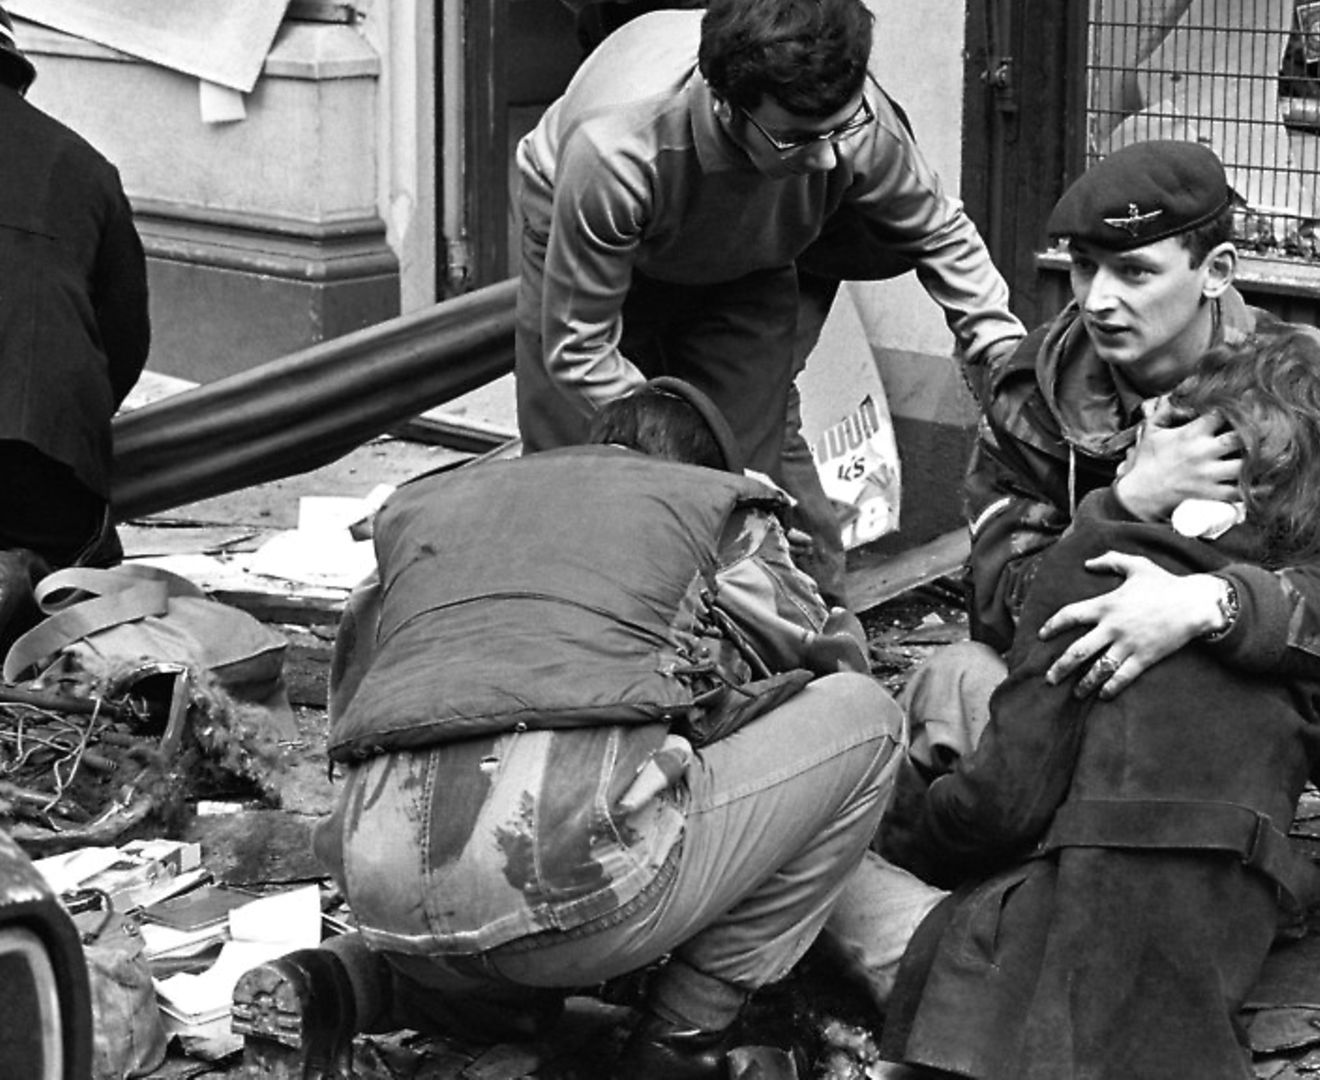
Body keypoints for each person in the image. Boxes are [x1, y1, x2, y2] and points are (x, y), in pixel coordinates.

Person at [232, 382, 903, 1080]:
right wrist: (788, 558)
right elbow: (824, 662)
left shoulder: (429, 510)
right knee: (868, 720)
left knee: (481, 939)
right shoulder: (709, 508)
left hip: (379, 887)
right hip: (571, 889)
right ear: (702, 471)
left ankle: (336, 982)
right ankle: (681, 1044)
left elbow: (354, 712)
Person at [877, 335, 1320, 1079]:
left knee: (836, 855)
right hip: (1202, 985)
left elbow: (1002, 807)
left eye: (1170, 428)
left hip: (1046, 985)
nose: (1145, 433)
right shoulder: (1319, 628)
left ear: (1208, 468)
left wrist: (907, 829)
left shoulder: (1101, 570)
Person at [894, 139, 1320, 796]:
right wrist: (1127, 504)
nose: (1099, 300)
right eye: (1085, 268)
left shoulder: (1297, 378)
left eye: (1135, 272)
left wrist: (1204, 604)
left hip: (1241, 692)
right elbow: (999, 610)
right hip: (1091, 682)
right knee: (962, 683)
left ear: (1216, 270)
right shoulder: (1033, 395)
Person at [512, 0, 1025, 604]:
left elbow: (939, 233)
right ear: (726, 105)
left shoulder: (849, 123)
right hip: (595, 229)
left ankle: (747, 643)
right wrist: (694, 465)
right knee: (581, 471)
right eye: (802, 138)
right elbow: (581, 349)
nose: (834, 159)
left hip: (750, 259)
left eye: (843, 127)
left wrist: (999, 349)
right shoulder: (615, 152)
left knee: (749, 477)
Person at [0, 3, 150, 649]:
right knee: (70, 555)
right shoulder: (81, 163)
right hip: (43, 453)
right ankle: (22, 569)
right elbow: (123, 339)